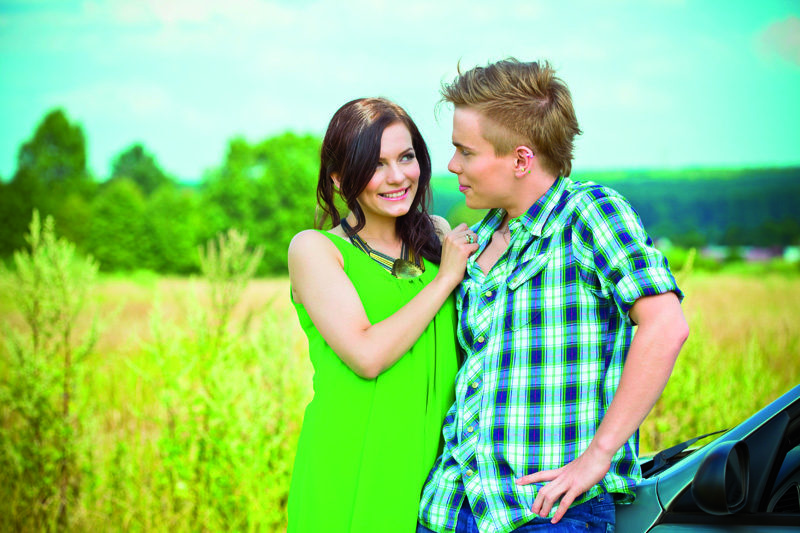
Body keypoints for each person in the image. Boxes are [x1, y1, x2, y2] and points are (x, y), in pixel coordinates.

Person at [417, 59, 690, 533]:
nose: (452, 165)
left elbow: (666, 326)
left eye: (466, 151)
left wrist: (597, 456)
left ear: (521, 160)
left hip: (546, 512)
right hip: (448, 511)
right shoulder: (478, 238)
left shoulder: (589, 213)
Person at [286, 97, 479, 533]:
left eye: (406, 157)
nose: (397, 177)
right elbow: (367, 355)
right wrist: (445, 279)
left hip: (436, 479)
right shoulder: (316, 250)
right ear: (340, 178)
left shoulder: (437, 235)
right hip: (352, 465)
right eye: (376, 165)